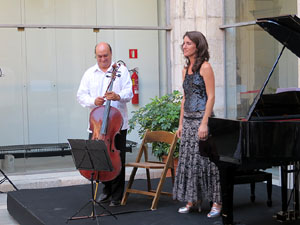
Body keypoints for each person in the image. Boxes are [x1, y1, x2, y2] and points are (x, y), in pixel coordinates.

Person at [77, 42, 133, 206]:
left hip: (116, 126)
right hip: (96, 125)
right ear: (95, 56)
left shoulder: (121, 71)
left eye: (106, 56)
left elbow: (129, 93)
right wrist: (93, 101)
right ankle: (106, 190)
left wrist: (117, 96)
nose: (103, 59)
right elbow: (81, 96)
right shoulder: (89, 73)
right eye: (100, 56)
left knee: (117, 159)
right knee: (99, 158)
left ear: (111, 54)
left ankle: (116, 195)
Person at [173, 31, 222, 218]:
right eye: (183, 43)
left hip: (202, 119)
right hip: (188, 121)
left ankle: (217, 202)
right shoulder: (185, 70)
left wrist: (204, 124)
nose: (184, 46)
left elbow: (211, 97)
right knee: (189, 163)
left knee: (207, 163)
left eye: (188, 43)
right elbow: (185, 99)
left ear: (197, 46)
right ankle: (192, 199)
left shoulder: (206, 67)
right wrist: (180, 124)